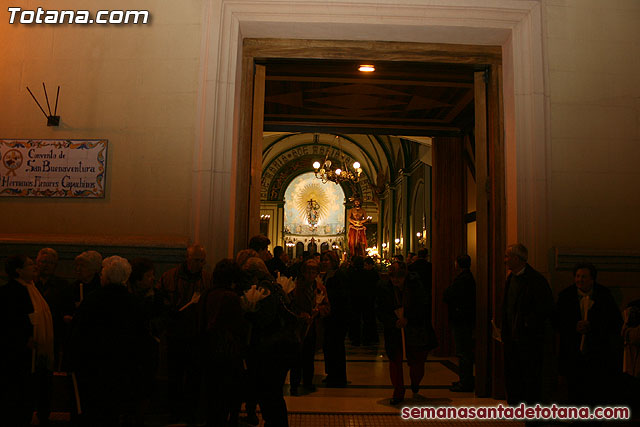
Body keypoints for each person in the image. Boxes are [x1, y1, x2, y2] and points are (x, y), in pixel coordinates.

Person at [69, 256, 151, 427]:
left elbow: (78, 334)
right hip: (124, 367)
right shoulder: (134, 303)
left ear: (104, 277)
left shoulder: (92, 300)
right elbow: (142, 337)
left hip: (95, 366)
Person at [556, 262, 622, 406]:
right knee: (575, 389)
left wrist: (593, 326)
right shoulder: (565, 296)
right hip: (573, 352)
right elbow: (558, 321)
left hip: (597, 352)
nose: (580, 280)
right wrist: (574, 326)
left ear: (592, 279)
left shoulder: (604, 295)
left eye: (584, 277)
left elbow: (614, 321)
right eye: (578, 276)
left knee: (595, 390)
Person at [158, 244, 210, 423]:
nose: (200, 264)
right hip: (176, 334)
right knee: (175, 376)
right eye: (197, 260)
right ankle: (175, 412)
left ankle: (191, 412)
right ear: (188, 258)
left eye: (203, 261)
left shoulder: (206, 278)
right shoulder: (170, 277)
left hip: (196, 335)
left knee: (194, 377)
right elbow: (160, 300)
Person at [501, 243, 554, 406]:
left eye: (508, 256)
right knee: (513, 372)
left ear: (517, 259)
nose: (505, 260)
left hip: (529, 339)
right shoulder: (511, 278)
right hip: (512, 337)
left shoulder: (536, 281)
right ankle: (516, 404)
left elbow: (545, 309)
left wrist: (527, 324)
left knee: (530, 375)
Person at [200, 259, 249, 427]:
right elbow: (239, 328)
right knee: (229, 396)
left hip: (209, 351)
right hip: (228, 355)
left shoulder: (207, 294)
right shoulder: (230, 297)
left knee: (213, 397)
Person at [376, 261, 434, 404]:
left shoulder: (416, 285)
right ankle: (398, 391)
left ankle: (415, 383)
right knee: (395, 362)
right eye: (393, 277)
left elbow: (423, 305)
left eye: (399, 277)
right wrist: (392, 322)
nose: (396, 280)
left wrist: (409, 318)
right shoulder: (384, 288)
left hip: (415, 329)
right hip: (394, 330)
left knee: (417, 362)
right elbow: (380, 309)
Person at [0, 255, 38, 426]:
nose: (34, 267)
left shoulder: (26, 290)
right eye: (30, 265)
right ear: (18, 270)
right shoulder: (18, 292)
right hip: (16, 349)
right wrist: (27, 338)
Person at [289, 259, 329, 395]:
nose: (311, 274)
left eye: (314, 271)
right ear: (303, 272)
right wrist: (300, 314)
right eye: (308, 271)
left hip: (313, 327)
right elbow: (289, 305)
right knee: (296, 357)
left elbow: (327, 306)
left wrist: (319, 311)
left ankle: (308, 382)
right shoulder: (295, 287)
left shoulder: (320, 288)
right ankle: (294, 384)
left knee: (309, 356)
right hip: (298, 327)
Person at [35, 248, 75, 369]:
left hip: (54, 331)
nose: (46, 266)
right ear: (37, 263)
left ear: (55, 265)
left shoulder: (63, 285)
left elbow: (68, 307)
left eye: (50, 263)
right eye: (43, 262)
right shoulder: (30, 283)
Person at [443, 254, 476, 392]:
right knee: (463, 352)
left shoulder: (463, 279)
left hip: (462, 319)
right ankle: (463, 380)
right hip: (464, 318)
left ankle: (465, 382)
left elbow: (449, 295)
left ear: (458, 264)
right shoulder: (468, 278)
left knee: (463, 352)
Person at [321, 251, 350, 387]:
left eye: (328, 260)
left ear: (334, 261)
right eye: (324, 260)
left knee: (336, 347)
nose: (325, 262)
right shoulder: (327, 275)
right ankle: (331, 373)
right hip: (329, 317)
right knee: (329, 346)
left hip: (338, 317)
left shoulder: (340, 275)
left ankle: (339, 377)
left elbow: (342, 296)